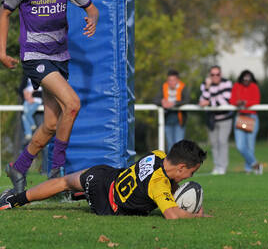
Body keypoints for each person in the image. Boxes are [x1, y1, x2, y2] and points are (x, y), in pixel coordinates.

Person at [0, 0, 99, 193]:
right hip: (35, 56)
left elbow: (91, 7)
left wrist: (93, 18)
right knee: (73, 104)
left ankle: (18, 167)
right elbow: (4, 13)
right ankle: (58, 170)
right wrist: (1, 51)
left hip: (60, 57)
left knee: (52, 124)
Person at [0, 140, 210, 219]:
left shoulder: (157, 154)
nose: (190, 177)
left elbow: (158, 178)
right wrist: (197, 216)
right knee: (70, 189)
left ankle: (12, 201)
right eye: (191, 172)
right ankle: (78, 195)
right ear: (181, 167)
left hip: (104, 177)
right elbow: (172, 215)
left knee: (64, 183)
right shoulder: (159, 185)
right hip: (108, 204)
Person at [199, 66, 233, 175]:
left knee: (222, 142)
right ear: (210, 75)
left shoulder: (227, 83)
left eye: (217, 74)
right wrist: (208, 87)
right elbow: (202, 100)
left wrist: (209, 102)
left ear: (221, 74)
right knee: (214, 144)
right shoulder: (205, 84)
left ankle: (222, 167)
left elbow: (225, 101)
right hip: (212, 119)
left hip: (225, 119)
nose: (215, 77)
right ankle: (217, 166)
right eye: (212, 74)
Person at [230, 70, 263, 174]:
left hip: (252, 117)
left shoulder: (254, 87)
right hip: (241, 117)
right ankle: (255, 164)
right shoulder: (236, 86)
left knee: (250, 145)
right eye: (244, 78)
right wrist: (237, 102)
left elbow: (257, 101)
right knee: (240, 145)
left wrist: (246, 103)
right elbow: (232, 100)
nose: (246, 80)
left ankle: (248, 169)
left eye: (248, 78)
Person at [154, 70, 189, 152]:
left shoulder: (183, 87)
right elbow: (155, 100)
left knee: (179, 144)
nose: (171, 82)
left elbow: (187, 100)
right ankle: (172, 164)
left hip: (179, 120)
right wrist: (162, 102)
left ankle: (179, 164)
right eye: (169, 80)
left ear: (178, 80)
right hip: (167, 120)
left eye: (173, 80)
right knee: (170, 145)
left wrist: (174, 103)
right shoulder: (163, 87)